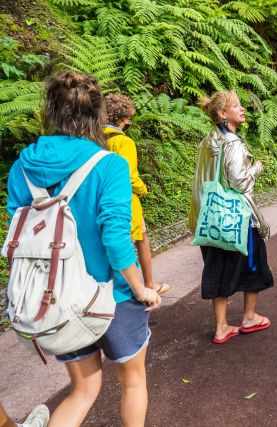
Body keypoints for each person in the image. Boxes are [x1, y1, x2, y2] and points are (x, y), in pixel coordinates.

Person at [7, 72, 161, 427]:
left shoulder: (23, 167)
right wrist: (141, 289)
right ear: (98, 115)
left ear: (49, 110)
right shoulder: (109, 165)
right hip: (115, 294)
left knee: (83, 389)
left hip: (56, 296)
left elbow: (21, 228)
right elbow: (116, 239)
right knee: (133, 380)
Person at [189, 90, 273, 345]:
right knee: (253, 263)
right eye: (237, 106)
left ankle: (221, 326)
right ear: (223, 114)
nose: (242, 110)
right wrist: (256, 167)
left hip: (209, 217)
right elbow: (238, 181)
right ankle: (249, 317)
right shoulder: (233, 143)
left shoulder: (208, 141)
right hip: (236, 219)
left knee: (218, 267)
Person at [103, 93, 170, 296]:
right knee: (136, 241)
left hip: (101, 198)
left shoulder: (95, 139)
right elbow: (129, 177)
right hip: (125, 200)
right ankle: (144, 287)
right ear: (124, 118)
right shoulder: (124, 142)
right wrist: (143, 189)